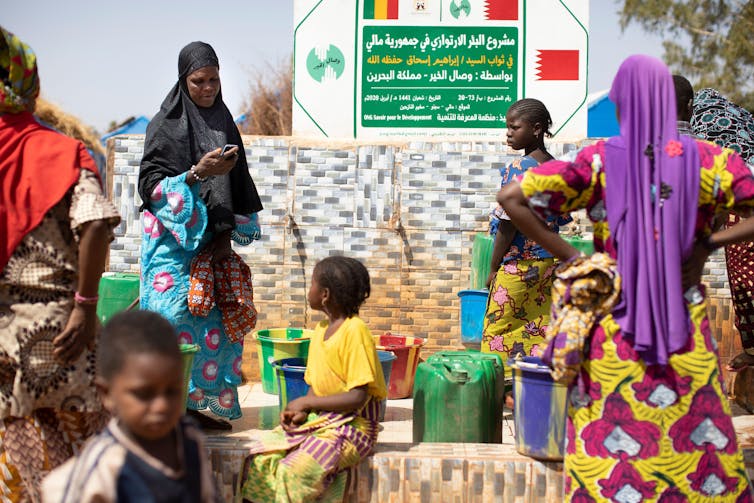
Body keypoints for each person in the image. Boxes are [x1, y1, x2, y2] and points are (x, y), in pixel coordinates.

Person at [499, 54, 754, 500]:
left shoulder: (600, 159)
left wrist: (579, 260)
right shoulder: (714, 160)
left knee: (609, 440)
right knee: (697, 444)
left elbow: (511, 196)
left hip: (616, 329)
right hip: (684, 329)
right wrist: (707, 244)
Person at [0, 27, 121, 501]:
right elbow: (95, 223)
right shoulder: (62, 151)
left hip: (6, 338)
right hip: (61, 332)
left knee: (14, 461)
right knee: (81, 458)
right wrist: (86, 306)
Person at [138, 41, 263, 430]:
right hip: (170, 248)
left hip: (211, 244)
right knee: (172, 319)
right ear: (183, 81)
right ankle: (166, 411)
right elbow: (150, 186)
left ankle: (191, 409)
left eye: (213, 80)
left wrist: (226, 234)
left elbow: (238, 180)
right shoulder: (164, 125)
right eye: (198, 81)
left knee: (213, 323)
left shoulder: (224, 120)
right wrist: (196, 174)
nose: (208, 88)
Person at [239, 256, 386, 503]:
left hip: (354, 427)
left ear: (325, 294)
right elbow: (315, 388)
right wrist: (300, 413)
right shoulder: (319, 332)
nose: (310, 291)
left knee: (294, 471)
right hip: (323, 421)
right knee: (260, 458)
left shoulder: (355, 331)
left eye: (312, 285)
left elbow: (357, 396)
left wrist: (308, 405)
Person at [41, 310, 220, 502]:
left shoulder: (189, 438)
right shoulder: (103, 467)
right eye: (143, 394)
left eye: (172, 391)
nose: (161, 406)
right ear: (106, 394)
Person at [483, 98, 568, 378]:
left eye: (513, 127)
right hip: (547, 267)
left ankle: (497, 391)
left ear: (536, 128)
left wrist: (493, 266)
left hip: (517, 268)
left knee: (496, 331)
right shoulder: (557, 168)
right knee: (538, 329)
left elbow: (508, 226)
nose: (508, 133)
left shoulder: (519, 167)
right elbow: (560, 219)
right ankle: (529, 385)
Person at [691, 88, 754, 373]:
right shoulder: (738, 121)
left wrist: (709, 240)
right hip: (737, 210)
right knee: (743, 285)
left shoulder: (707, 126)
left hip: (742, 211)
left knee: (745, 283)